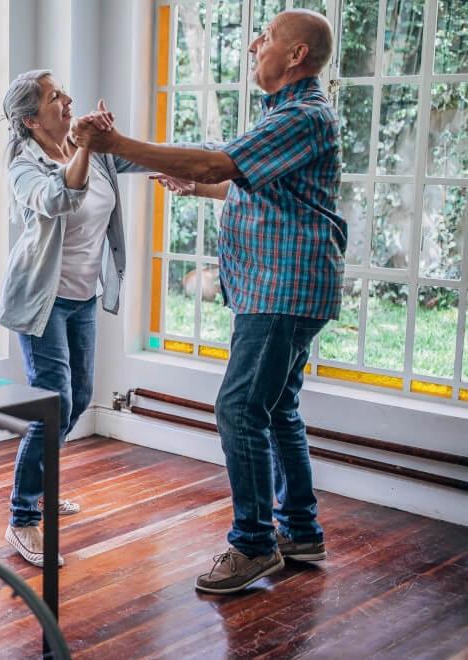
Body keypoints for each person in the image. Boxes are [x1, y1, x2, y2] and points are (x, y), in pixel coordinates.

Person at [77, 9, 344, 593]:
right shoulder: (288, 116)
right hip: (278, 288)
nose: (254, 44)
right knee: (276, 408)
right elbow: (242, 178)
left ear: (296, 55)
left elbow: (214, 159)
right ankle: (300, 530)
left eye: (267, 37)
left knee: (239, 409)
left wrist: (116, 143)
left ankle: (253, 546)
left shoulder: (303, 115)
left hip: (283, 288)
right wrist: (201, 185)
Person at [0, 70, 150, 568]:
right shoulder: (24, 164)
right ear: (30, 118)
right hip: (41, 300)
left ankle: (41, 486)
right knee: (54, 402)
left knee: (79, 397)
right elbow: (60, 199)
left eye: (64, 90)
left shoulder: (95, 152)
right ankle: (22, 517)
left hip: (83, 296)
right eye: (53, 96)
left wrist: (205, 164)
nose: (67, 98)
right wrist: (84, 146)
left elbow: (141, 154)